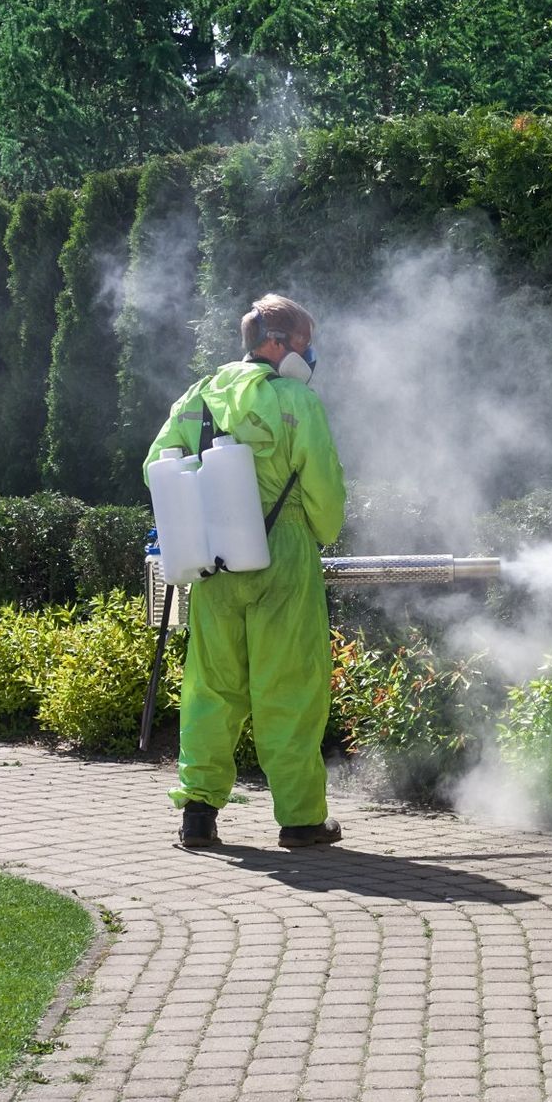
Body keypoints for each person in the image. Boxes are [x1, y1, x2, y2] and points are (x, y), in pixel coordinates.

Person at [143, 295, 347, 849]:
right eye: (304, 342)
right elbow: (323, 485)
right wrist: (324, 532)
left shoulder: (198, 396)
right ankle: (301, 820)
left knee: (212, 688)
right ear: (277, 344)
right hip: (282, 554)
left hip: (214, 559)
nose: (309, 353)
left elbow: (155, 464)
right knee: (290, 687)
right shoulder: (295, 400)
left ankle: (199, 816)